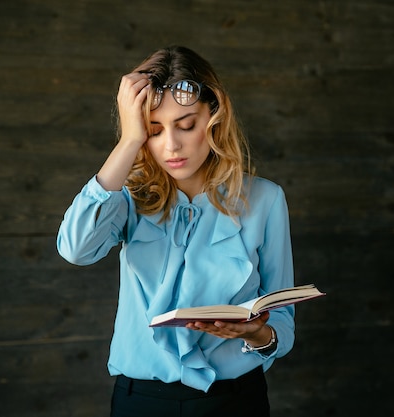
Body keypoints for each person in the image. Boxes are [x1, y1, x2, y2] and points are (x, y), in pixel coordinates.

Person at [57, 45, 295, 417]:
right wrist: (128, 142)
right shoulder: (127, 195)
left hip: (234, 402)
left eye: (186, 126)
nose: (171, 146)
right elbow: (75, 248)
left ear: (213, 117)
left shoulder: (265, 199)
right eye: (153, 130)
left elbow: (282, 323)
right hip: (141, 402)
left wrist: (254, 333)